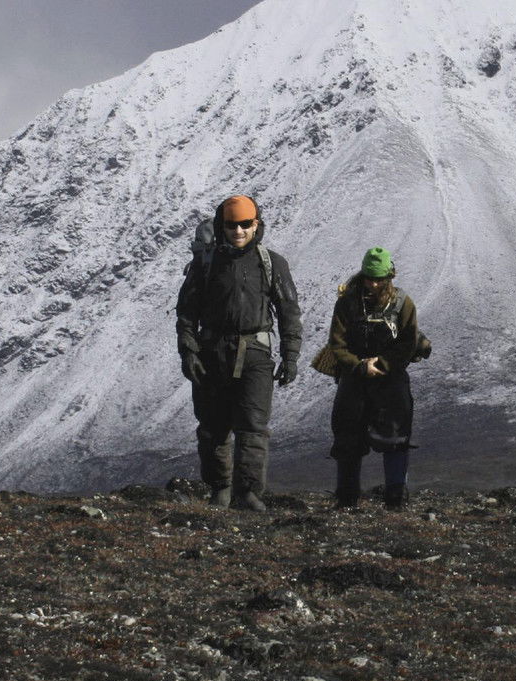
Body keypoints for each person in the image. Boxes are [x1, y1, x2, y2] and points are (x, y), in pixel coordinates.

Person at [176, 195, 301, 511]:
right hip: (211, 353)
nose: (239, 231)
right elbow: (187, 313)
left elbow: (289, 312)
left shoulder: (272, 263)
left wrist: (290, 356)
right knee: (212, 427)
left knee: (253, 426)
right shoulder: (205, 264)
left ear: (256, 224)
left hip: (255, 354)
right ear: (222, 226)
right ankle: (220, 488)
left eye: (246, 224)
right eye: (232, 225)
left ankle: (247, 493)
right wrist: (189, 352)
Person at [323, 247, 421, 510]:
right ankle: (346, 499)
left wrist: (382, 364)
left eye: (379, 279)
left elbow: (408, 343)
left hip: (391, 380)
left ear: (390, 276)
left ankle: (395, 499)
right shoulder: (347, 303)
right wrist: (359, 366)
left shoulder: (403, 304)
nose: (374, 284)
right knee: (347, 439)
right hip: (354, 379)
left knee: (396, 438)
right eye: (369, 278)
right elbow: (337, 344)